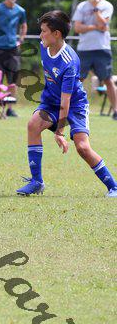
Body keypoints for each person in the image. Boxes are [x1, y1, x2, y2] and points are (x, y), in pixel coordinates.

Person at [16, 10, 116, 198]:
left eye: (44, 31)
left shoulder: (69, 62)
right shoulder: (44, 46)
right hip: (51, 101)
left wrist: (59, 132)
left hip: (75, 104)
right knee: (33, 125)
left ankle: (114, 186)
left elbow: (66, 100)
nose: (40, 35)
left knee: (82, 148)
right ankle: (36, 182)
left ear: (56, 34)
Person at [72, 0, 116, 120]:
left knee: (108, 80)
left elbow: (104, 25)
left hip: (102, 48)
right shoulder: (82, 6)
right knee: (78, 79)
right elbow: (77, 28)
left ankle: (116, 110)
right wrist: (96, 26)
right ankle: (71, 108)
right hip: (84, 49)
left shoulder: (107, 5)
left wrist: (96, 8)